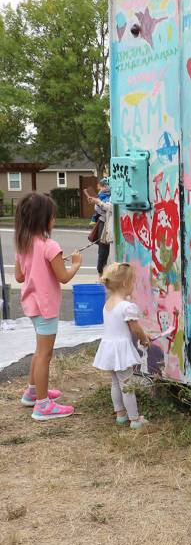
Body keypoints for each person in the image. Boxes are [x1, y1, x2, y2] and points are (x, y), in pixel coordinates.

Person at [13, 193, 82, 420]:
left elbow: (20, 276)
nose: (54, 220)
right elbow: (63, 277)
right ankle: (43, 405)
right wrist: (76, 264)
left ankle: (33, 392)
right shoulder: (50, 246)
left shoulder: (23, 244)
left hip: (32, 306)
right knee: (45, 354)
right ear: (43, 219)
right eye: (52, 216)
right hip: (46, 308)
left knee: (39, 351)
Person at [92, 263, 150, 430]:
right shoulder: (127, 307)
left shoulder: (108, 303)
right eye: (133, 282)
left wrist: (144, 334)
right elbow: (135, 329)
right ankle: (135, 419)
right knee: (127, 385)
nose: (134, 286)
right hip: (121, 351)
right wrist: (144, 338)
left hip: (109, 349)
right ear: (125, 284)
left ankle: (120, 415)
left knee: (115, 383)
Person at [87, 178, 112, 275]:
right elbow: (99, 209)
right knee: (103, 250)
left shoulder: (112, 195)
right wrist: (97, 202)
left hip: (106, 222)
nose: (103, 188)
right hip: (103, 222)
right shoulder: (102, 194)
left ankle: (102, 273)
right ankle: (101, 272)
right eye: (102, 186)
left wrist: (98, 203)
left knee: (104, 250)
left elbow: (106, 208)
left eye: (105, 186)